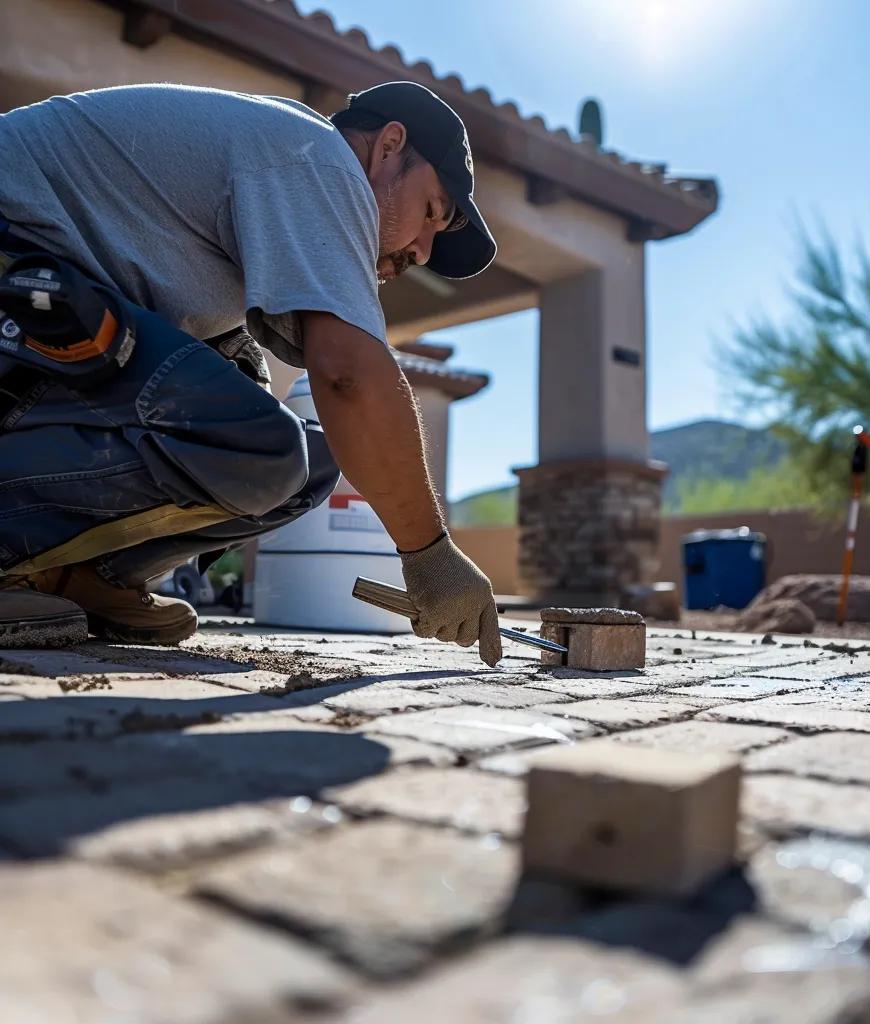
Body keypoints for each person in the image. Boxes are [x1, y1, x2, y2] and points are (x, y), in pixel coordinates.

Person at [0, 80, 503, 665]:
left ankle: (75, 574)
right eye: (429, 213)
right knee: (260, 447)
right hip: (20, 275)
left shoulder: (266, 186)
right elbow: (348, 376)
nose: (421, 251)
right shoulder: (317, 155)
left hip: (52, 308)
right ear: (389, 145)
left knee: (310, 459)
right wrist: (430, 555)